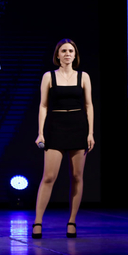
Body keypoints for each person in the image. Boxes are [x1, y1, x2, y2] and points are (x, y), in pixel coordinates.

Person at [32, 39, 94, 239]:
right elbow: (43, 105)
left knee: (77, 176)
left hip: (78, 126)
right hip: (55, 126)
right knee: (49, 176)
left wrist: (90, 133)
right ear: (57, 55)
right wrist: (41, 132)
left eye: (71, 51)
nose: (67, 54)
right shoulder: (48, 76)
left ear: (75, 55)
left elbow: (89, 105)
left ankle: (72, 221)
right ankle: (38, 221)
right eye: (64, 51)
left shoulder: (83, 76)